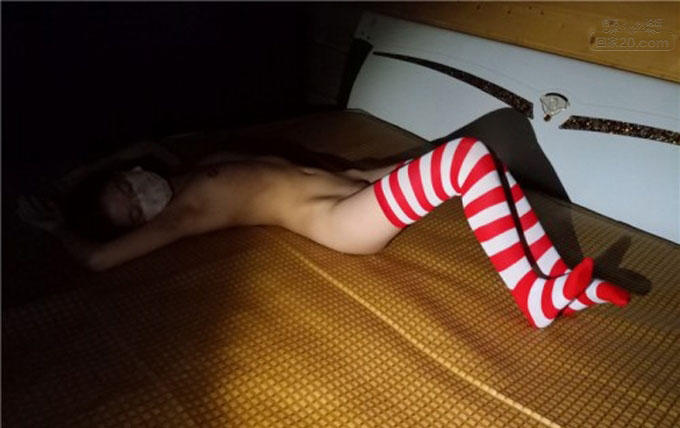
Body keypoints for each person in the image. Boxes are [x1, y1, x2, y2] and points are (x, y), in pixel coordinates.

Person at [18, 136, 630, 328]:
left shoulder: (193, 167)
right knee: (466, 157)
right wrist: (56, 227)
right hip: (340, 224)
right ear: (145, 224)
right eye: (133, 211)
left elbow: (147, 148)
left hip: (351, 187)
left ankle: (555, 284)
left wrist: (79, 177)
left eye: (126, 188)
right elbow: (97, 261)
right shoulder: (185, 210)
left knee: (482, 160)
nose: (140, 197)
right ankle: (532, 294)